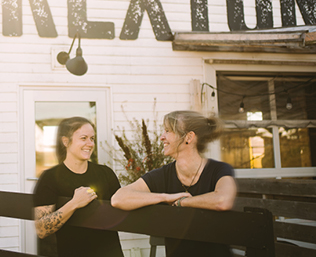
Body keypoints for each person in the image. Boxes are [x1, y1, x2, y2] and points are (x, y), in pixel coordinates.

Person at [111, 110, 237, 257]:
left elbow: (223, 200)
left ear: (189, 137)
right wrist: (164, 197)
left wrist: (182, 202)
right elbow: (118, 199)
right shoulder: (163, 175)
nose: (161, 137)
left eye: (168, 131)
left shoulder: (219, 169)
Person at [33, 117, 124, 257]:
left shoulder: (106, 173)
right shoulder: (50, 178)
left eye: (92, 138)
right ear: (65, 141)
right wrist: (75, 203)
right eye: (83, 138)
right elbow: (41, 229)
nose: (90, 143)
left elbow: (122, 206)